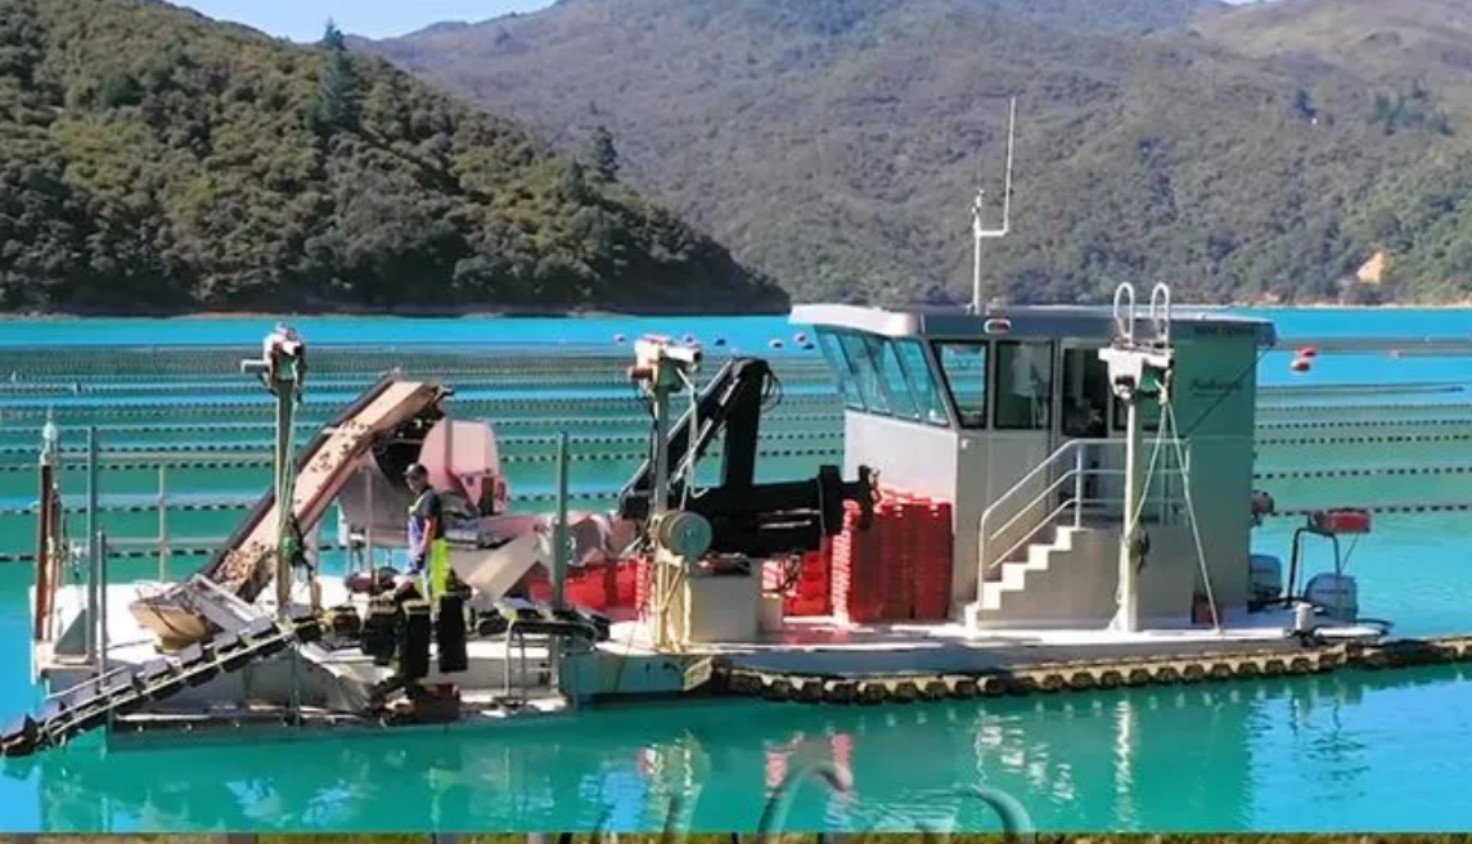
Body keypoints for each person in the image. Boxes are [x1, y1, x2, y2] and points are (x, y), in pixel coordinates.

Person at [403, 463, 451, 599]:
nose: (410, 482)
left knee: (434, 585)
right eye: (408, 478)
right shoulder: (421, 497)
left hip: (432, 548)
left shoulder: (430, 497)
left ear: (424, 478)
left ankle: (437, 607)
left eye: (414, 478)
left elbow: (431, 525)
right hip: (422, 548)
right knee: (424, 584)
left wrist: (423, 549)